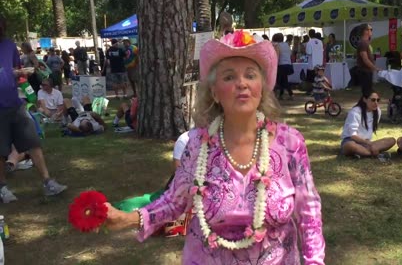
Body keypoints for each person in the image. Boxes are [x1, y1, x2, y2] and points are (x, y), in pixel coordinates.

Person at [103, 30, 325, 264]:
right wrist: (127, 218)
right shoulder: (198, 144)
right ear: (215, 93)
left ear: (261, 88)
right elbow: (173, 201)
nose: (242, 84)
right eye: (229, 77)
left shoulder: (290, 143)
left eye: (250, 75)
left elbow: (309, 213)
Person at [0, 15, 67, 203]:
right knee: (1, 150)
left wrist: (21, 76)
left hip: (15, 102)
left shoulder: (9, 45)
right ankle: (2, 188)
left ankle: (48, 182)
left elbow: (17, 71)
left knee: (33, 141)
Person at [340, 90, 395, 158]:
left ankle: (362, 153)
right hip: (351, 141)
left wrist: (369, 144)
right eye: (373, 100)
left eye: (378, 100)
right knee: (351, 145)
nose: (376, 103)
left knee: (391, 140)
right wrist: (368, 143)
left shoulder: (378, 111)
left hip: (366, 144)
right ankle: (376, 154)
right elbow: (353, 136)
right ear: (365, 99)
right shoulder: (355, 112)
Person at [355, 24, 380, 96]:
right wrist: (375, 68)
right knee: (367, 93)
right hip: (364, 71)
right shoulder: (363, 43)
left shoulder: (366, 42)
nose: (371, 31)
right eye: (370, 29)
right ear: (365, 31)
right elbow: (365, 59)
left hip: (367, 71)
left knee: (368, 92)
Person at [271, 33, 293, 100]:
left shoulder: (277, 45)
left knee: (280, 80)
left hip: (281, 64)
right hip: (288, 64)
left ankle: (287, 93)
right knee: (284, 80)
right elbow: (290, 53)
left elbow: (277, 55)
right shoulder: (286, 44)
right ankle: (284, 94)